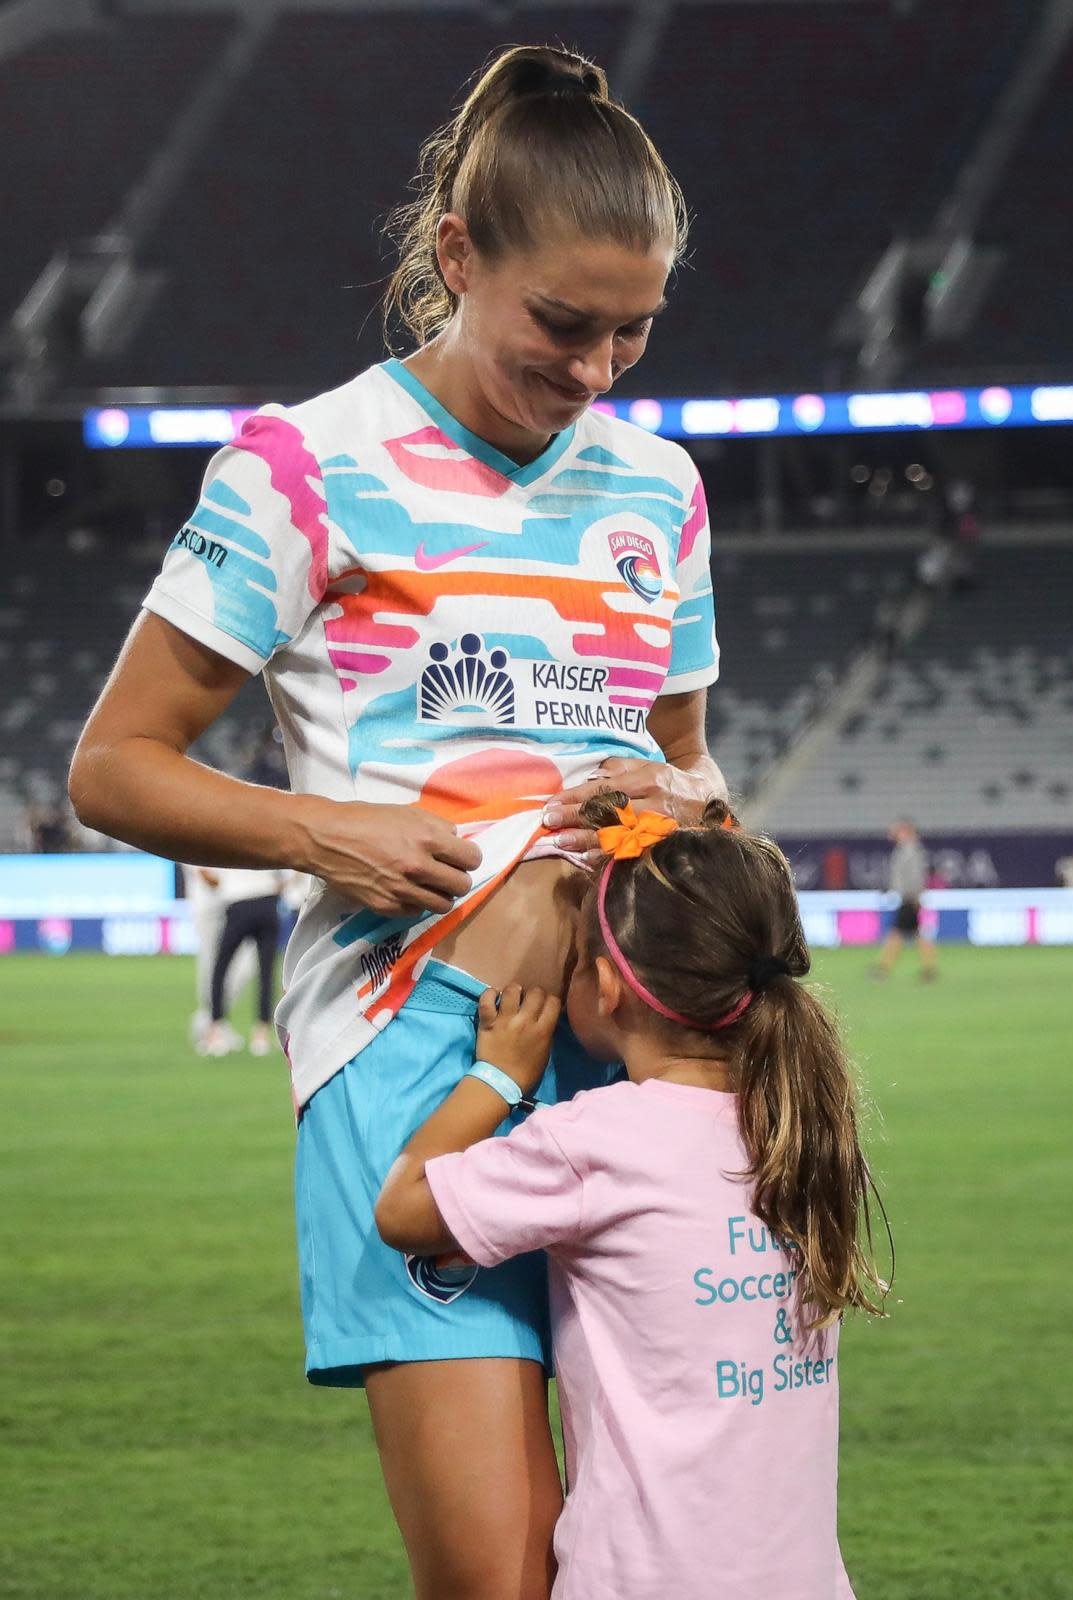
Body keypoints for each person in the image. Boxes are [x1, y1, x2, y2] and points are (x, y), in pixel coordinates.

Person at [68, 44, 722, 1600]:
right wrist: (327, 833)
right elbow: (115, 767)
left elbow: (696, 774)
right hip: (411, 1048)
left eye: (631, 333)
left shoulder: (661, 491)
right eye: (561, 325)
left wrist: (681, 806)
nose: (596, 374)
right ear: (455, 258)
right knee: (498, 1579)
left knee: (663, 1561)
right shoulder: (304, 465)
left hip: (639, 1045)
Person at [377, 794, 885, 1599]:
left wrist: (496, 1074)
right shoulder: (802, 1127)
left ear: (606, 986)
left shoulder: (597, 1142)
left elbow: (403, 1211)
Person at [201, 865, 285, 1056]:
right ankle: (261, 1034)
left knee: (220, 967)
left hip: (239, 902)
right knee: (266, 972)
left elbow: (209, 875)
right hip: (267, 901)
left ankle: (216, 1028)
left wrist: (226, 885)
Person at [184, 862, 258, 1053]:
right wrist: (236, 886)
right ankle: (212, 1024)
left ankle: (212, 1019)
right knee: (211, 969)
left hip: (231, 904)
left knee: (246, 966)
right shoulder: (192, 836)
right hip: (209, 909)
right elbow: (204, 873)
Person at [871, 818, 939, 981]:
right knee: (915, 935)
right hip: (908, 898)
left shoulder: (910, 851)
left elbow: (914, 877)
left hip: (909, 899)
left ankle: (883, 968)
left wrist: (913, 895)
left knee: (897, 933)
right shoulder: (909, 850)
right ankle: (929, 968)